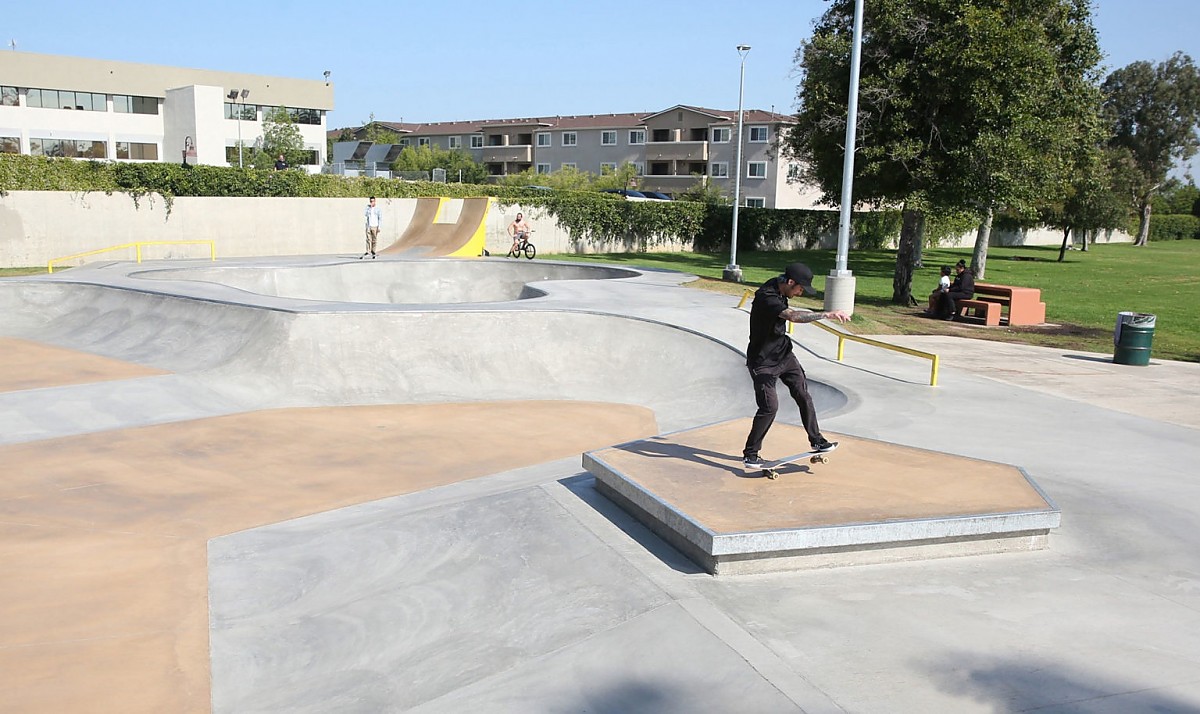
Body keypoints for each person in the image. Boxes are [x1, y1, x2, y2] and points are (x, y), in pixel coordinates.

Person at [743, 263, 851, 469]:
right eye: (800, 288)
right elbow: (792, 316)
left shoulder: (781, 286)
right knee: (769, 407)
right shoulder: (767, 297)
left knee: (803, 394)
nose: (801, 292)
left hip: (784, 355)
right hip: (762, 362)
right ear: (790, 282)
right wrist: (826, 314)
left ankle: (817, 440)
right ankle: (751, 454)